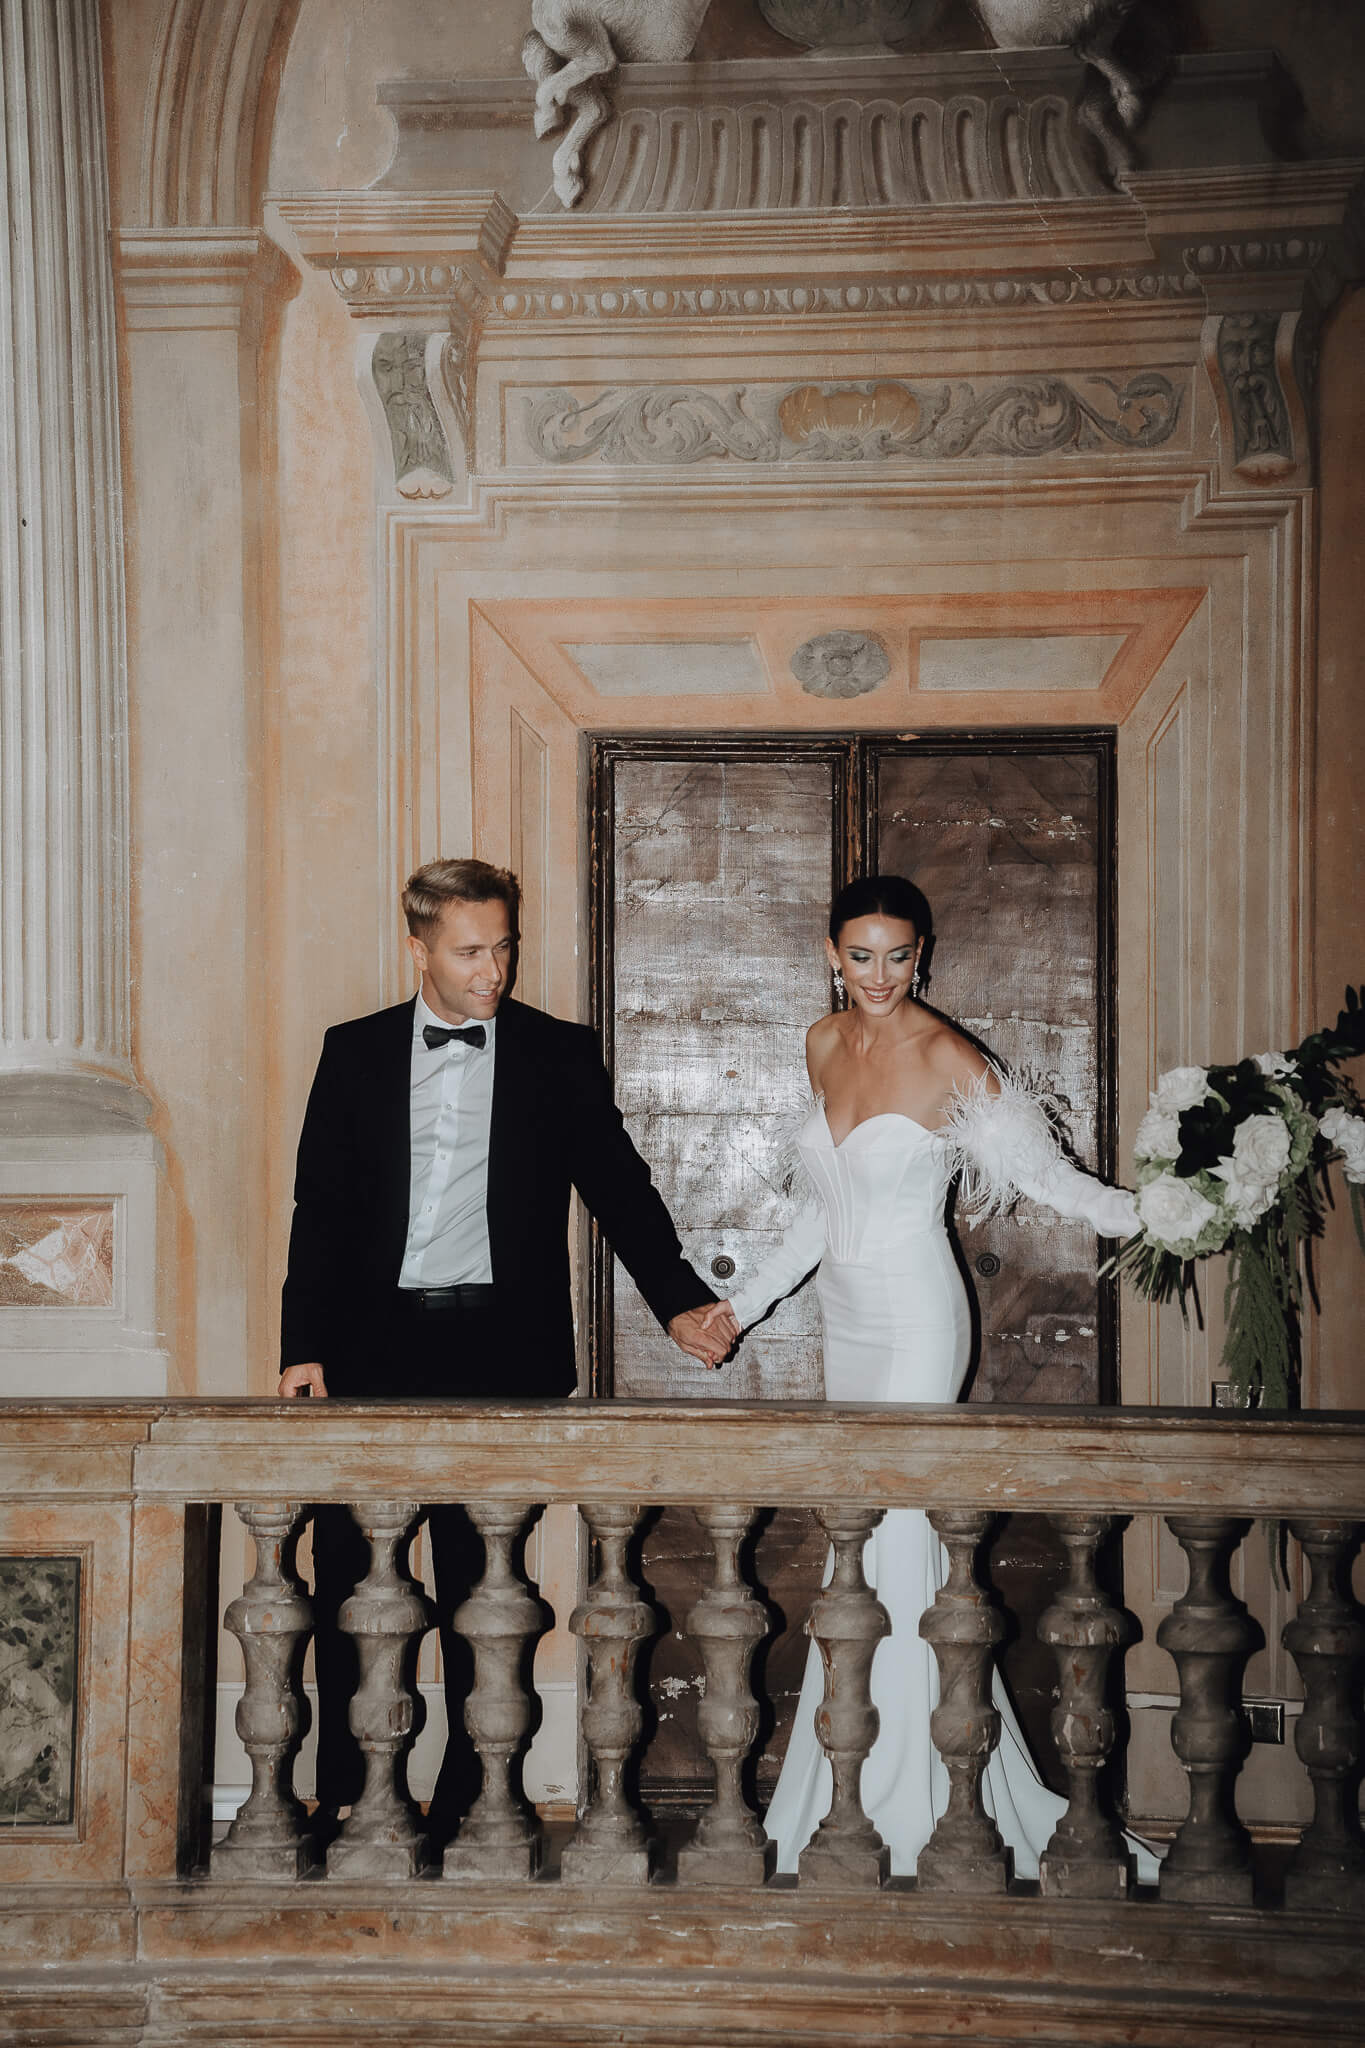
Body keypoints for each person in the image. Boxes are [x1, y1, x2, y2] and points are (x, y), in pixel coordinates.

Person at [698, 873, 1155, 1882]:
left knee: (902, 1540)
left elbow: (1046, 1178)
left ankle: (925, 1795)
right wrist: (744, 1307)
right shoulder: (822, 1042)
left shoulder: (949, 1055)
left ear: (923, 954)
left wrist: (1157, 1212)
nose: (878, 975)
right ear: (831, 953)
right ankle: (839, 1787)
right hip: (846, 1321)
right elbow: (818, 1213)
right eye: (860, 955)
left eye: (897, 955)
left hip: (915, 1319)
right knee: (852, 1544)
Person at [279, 856, 722, 1841]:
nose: (493, 971)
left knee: (483, 1588)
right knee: (351, 1580)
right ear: (419, 949)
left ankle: (475, 1796)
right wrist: (301, 1343)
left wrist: (679, 1302)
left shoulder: (555, 1054)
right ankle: (347, 1791)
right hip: (368, 1346)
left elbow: (621, 1189)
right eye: (471, 952)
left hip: (496, 1347)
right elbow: (320, 1209)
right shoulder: (353, 1052)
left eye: (504, 948)